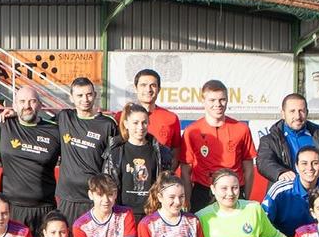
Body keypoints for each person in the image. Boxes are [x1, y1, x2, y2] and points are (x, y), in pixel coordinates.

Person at [0, 85, 61, 236]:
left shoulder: (55, 130)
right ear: (14, 105)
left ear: (40, 104)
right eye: (22, 101)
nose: (27, 106)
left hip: (45, 209)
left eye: (32, 101)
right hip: (12, 209)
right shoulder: (3, 124)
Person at [54, 76, 118, 223]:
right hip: (68, 197)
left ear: (95, 95)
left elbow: (115, 160)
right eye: (80, 95)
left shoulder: (107, 124)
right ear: (71, 98)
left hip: (96, 196)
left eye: (89, 94)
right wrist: (13, 113)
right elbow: (40, 125)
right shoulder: (64, 117)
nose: (85, 99)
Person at [180, 80, 252, 211]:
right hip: (203, 193)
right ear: (203, 101)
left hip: (233, 191)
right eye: (212, 100)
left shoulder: (242, 129)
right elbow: (186, 171)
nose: (218, 104)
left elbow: (248, 167)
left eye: (222, 99)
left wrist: (246, 197)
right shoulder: (191, 131)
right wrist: (187, 200)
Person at [257, 93, 319, 185]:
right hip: (286, 193)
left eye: (301, 111)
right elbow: (264, 162)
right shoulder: (270, 140)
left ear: (307, 112)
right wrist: (280, 173)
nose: (298, 116)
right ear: (283, 114)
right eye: (292, 111)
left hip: (317, 193)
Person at [261, 145, 319, 237]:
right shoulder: (280, 190)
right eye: (304, 163)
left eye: (315, 163)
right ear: (296, 167)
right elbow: (262, 224)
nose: (310, 168)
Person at [106, 104, 170, 212]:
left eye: (144, 122)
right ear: (126, 124)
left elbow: (166, 184)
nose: (140, 127)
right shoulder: (115, 152)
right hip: (123, 213)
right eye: (135, 123)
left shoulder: (160, 152)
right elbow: (108, 185)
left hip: (150, 213)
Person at [119, 68, 183, 173]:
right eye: (143, 85)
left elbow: (176, 152)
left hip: (159, 181)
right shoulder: (122, 116)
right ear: (136, 88)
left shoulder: (171, 118)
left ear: (159, 89)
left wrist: (165, 175)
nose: (148, 89)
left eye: (153, 85)